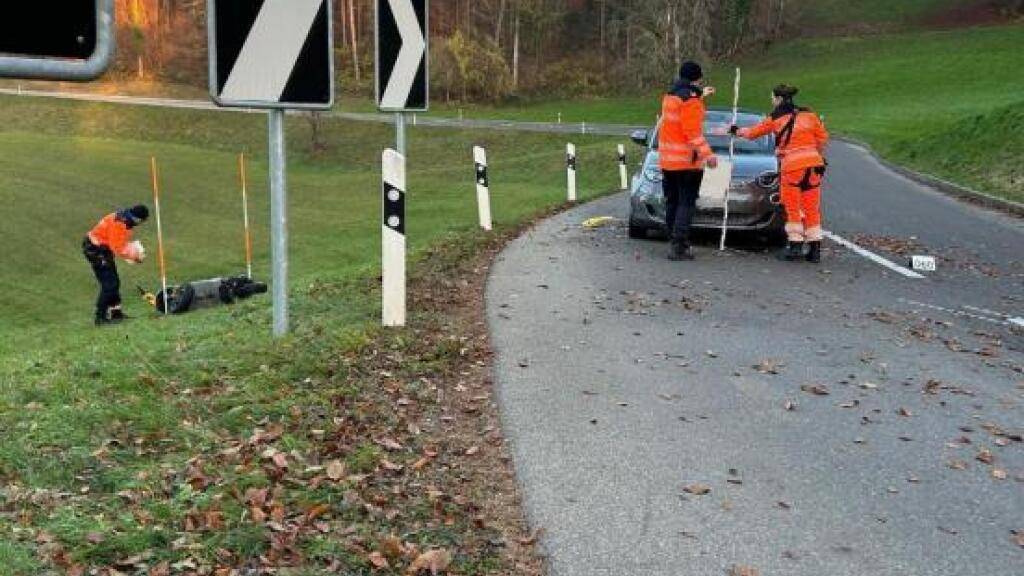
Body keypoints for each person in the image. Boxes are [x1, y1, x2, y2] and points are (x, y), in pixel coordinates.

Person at [729, 84, 829, 262]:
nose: (772, 101)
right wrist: (816, 154)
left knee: (792, 207)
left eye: (773, 98)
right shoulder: (809, 115)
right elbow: (822, 138)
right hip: (814, 166)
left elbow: (753, 133)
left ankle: (795, 246)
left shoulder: (776, 118)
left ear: (779, 99)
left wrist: (736, 131)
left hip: (792, 167)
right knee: (811, 207)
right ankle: (815, 249)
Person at [659, 61, 718, 261]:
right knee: (686, 203)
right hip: (687, 162)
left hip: (668, 161)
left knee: (672, 202)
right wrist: (707, 154)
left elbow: (684, 103)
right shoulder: (691, 101)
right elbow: (692, 131)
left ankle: (673, 240)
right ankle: (679, 245)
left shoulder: (670, 96)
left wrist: (701, 94)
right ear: (697, 78)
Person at [83, 205, 148, 325]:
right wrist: (135, 256)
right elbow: (117, 247)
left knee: (114, 282)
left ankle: (115, 313)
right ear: (138, 219)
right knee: (109, 284)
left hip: (102, 248)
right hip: (95, 249)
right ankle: (100, 317)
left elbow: (118, 243)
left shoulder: (125, 219)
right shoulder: (120, 223)